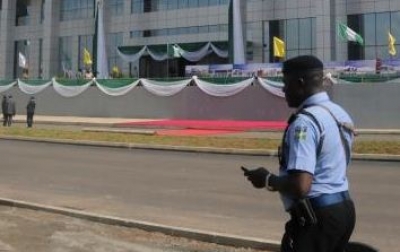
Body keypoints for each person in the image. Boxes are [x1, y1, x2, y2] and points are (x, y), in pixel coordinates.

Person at [242, 55, 356, 252]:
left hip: (317, 217)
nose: (283, 89)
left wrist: (267, 179)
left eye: (286, 84)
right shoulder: (338, 113)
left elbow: (301, 186)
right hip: (344, 210)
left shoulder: (304, 123)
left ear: (300, 83)